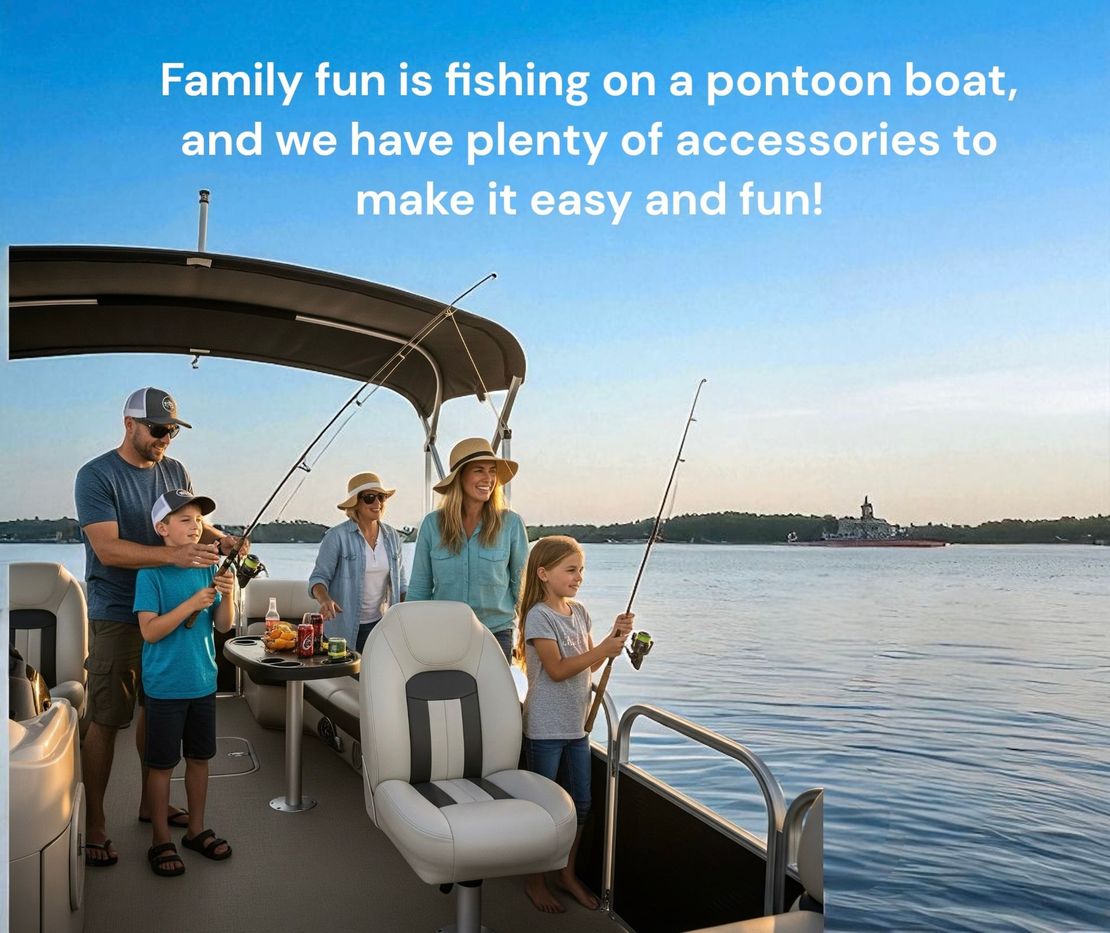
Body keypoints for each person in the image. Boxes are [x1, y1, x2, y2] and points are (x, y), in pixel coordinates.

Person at [74, 387, 242, 867]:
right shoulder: (96, 475)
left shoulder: (175, 470)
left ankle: (151, 805)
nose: (166, 438)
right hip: (115, 610)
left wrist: (221, 536)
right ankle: (97, 823)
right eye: (157, 429)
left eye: (172, 429)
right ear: (129, 424)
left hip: (175, 603)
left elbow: (190, 520)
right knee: (108, 715)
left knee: (157, 708)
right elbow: (107, 549)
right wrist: (177, 555)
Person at [514, 535, 633, 913]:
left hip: (576, 729)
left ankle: (566, 872)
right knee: (543, 809)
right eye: (571, 569)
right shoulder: (538, 616)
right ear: (544, 573)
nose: (578, 576)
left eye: (581, 569)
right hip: (544, 731)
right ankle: (536, 881)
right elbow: (558, 669)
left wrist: (614, 639)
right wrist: (600, 650)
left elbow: (590, 664)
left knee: (581, 804)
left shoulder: (579, 612)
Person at [134, 490, 235, 876]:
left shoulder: (209, 569)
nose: (195, 527)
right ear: (162, 529)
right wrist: (191, 604)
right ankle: (160, 837)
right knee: (161, 766)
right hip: (164, 688)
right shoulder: (150, 575)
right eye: (184, 521)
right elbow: (150, 632)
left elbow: (223, 625)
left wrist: (226, 594)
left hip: (203, 683)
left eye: (197, 520)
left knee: (199, 760)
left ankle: (195, 829)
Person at [407, 438, 528, 660]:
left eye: (492, 471)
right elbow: (419, 588)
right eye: (479, 471)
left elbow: (521, 589)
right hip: (443, 634)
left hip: (496, 634)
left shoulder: (511, 524)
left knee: (492, 695)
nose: (488, 478)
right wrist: (408, 635)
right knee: (445, 693)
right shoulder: (432, 525)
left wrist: (532, 636)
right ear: (460, 477)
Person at [308, 472, 407, 653]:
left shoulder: (392, 536)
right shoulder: (336, 536)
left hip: (380, 627)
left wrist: (417, 610)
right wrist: (325, 600)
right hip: (341, 630)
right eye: (369, 498)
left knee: (375, 680)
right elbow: (318, 579)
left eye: (381, 497)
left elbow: (401, 585)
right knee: (344, 681)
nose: (377, 503)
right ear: (356, 504)